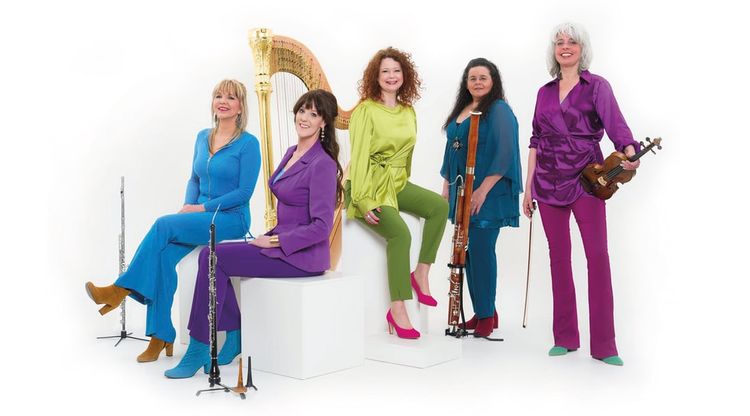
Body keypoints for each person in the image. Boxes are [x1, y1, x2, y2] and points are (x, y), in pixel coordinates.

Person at [164, 89, 343, 378]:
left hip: (301, 256)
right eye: (302, 111)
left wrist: (275, 240)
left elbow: (322, 227)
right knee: (211, 254)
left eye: (314, 114)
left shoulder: (322, 163)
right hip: (277, 240)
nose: (305, 118)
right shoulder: (292, 152)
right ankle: (233, 334)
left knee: (213, 256)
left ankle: (199, 346)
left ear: (324, 122)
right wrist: (271, 236)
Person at [85, 79, 261, 362]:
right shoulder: (203, 136)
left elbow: (244, 193)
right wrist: (188, 206)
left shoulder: (248, 144)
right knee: (163, 257)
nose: (223, 101)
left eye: (231, 97)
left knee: (162, 225)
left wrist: (200, 208)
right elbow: (194, 179)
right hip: (199, 215)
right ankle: (161, 335)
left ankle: (120, 289)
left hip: (231, 218)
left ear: (241, 107)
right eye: (218, 95)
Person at [523, 23, 640, 366]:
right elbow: (535, 140)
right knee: (558, 259)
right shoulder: (544, 92)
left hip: (588, 179)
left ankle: (604, 345)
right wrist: (528, 187)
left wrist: (630, 152)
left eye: (572, 41)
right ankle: (565, 337)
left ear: (582, 48)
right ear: (553, 50)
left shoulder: (597, 86)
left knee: (597, 257)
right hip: (547, 181)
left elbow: (617, 127)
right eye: (559, 42)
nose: (565, 46)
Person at [347, 47, 449, 339]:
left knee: (439, 207)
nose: (391, 76)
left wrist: (401, 185)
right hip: (366, 184)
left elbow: (407, 157)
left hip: (396, 183)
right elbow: (360, 158)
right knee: (401, 234)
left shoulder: (408, 111)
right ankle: (397, 307)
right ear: (375, 77)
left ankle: (422, 272)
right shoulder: (365, 110)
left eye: (396, 71)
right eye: (385, 71)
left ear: (405, 75)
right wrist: (363, 200)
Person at [440, 58, 522, 338]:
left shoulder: (498, 110)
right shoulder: (462, 109)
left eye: (483, 77)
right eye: (472, 78)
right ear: (466, 82)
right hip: (462, 190)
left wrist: (483, 190)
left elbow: (505, 152)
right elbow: (451, 150)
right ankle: (485, 311)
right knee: (469, 252)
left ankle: (486, 315)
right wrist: (446, 186)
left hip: (488, 193)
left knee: (482, 249)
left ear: (493, 81)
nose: (477, 82)